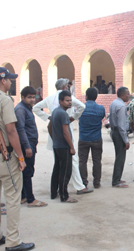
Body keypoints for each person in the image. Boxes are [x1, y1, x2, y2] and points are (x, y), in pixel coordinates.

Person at [33, 78, 93, 195]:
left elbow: (35, 108)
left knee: (58, 162)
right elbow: (82, 106)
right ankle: (79, 186)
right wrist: (74, 117)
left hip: (54, 131)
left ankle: (57, 189)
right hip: (65, 129)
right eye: (68, 85)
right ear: (65, 87)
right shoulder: (68, 97)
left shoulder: (50, 98)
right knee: (72, 160)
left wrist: (49, 117)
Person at [0, 67, 35, 251]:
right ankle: (13, 241)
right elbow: (12, 130)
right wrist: (20, 157)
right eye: (10, 79)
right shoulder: (4, 100)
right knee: (13, 197)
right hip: (5, 156)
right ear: (2, 80)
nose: (11, 82)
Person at [15, 86, 47, 208]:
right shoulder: (20, 110)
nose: (32, 100)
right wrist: (27, 147)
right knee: (28, 172)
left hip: (31, 144)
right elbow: (20, 129)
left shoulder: (27, 108)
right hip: (26, 145)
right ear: (22, 97)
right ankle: (30, 199)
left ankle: (23, 196)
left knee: (27, 171)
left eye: (34, 97)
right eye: (29, 97)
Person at [48, 90, 78, 202]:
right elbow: (66, 132)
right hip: (64, 146)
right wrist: (72, 147)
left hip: (57, 145)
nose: (69, 102)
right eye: (67, 100)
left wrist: (55, 138)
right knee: (65, 171)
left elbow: (49, 127)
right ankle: (64, 196)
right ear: (60, 101)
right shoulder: (63, 113)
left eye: (70, 100)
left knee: (57, 168)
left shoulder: (55, 111)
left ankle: (53, 192)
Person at [78, 88, 106, 189]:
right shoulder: (101, 108)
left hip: (83, 138)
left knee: (82, 161)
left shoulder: (80, 108)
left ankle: (83, 182)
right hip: (96, 138)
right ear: (96, 97)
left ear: (86, 96)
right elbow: (102, 117)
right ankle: (97, 182)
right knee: (97, 161)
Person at [110, 87, 130, 188]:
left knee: (119, 155)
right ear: (122, 95)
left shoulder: (114, 103)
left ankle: (117, 178)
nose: (129, 95)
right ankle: (116, 181)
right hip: (119, 133)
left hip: (114, 131)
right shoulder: (122, 106)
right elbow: (122, 126)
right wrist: (126, 140)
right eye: (127, 94)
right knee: (120, 157)